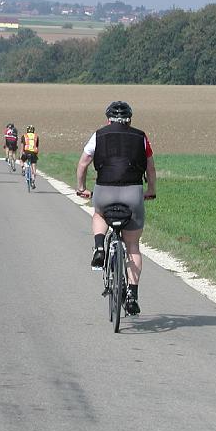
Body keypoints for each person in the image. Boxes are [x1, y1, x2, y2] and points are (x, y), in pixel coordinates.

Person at [75, 101, 156, 315]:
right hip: (133, 193)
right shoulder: (141, 137)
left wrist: (81, 188)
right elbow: (150, 167)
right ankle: (132, 295)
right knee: (133, 246)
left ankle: (99, 247)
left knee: (99, 214)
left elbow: (83, 163)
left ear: (108, 119)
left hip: (105, 190)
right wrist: (151, 190)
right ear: (130, 119)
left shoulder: (98, 135)